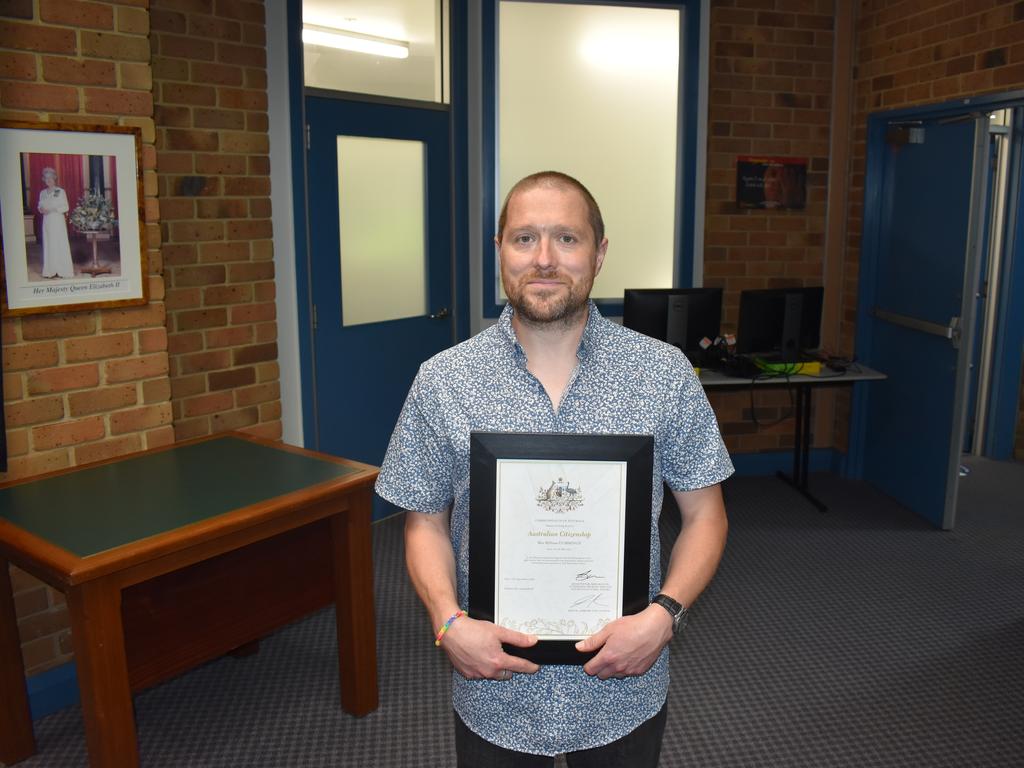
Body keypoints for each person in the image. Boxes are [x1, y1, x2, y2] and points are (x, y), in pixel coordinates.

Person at [376, 171, 733, 766]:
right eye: (524, 239)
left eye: (566, 239)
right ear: (499, 251)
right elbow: (423, 523)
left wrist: (665, 616)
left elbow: (706, 515)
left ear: (599, 253)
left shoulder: (663, 374)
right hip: (495, 691)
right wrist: (447, 623)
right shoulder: (443, 380)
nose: (544, 259)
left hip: (623, 688)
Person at [37, 167, 74, 279]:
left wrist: (52, 210)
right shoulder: (42, 193)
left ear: (55, 178)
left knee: (59, 243)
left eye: (51, 178)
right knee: (49, 244)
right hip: (47, 221)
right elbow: (39, 206)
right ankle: (50, 270)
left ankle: (63, 270)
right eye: (46, 178)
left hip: (57, 220)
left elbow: (65, 207)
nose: (48, 180)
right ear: (44, 179)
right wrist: (41, 209)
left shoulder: (60, 191)